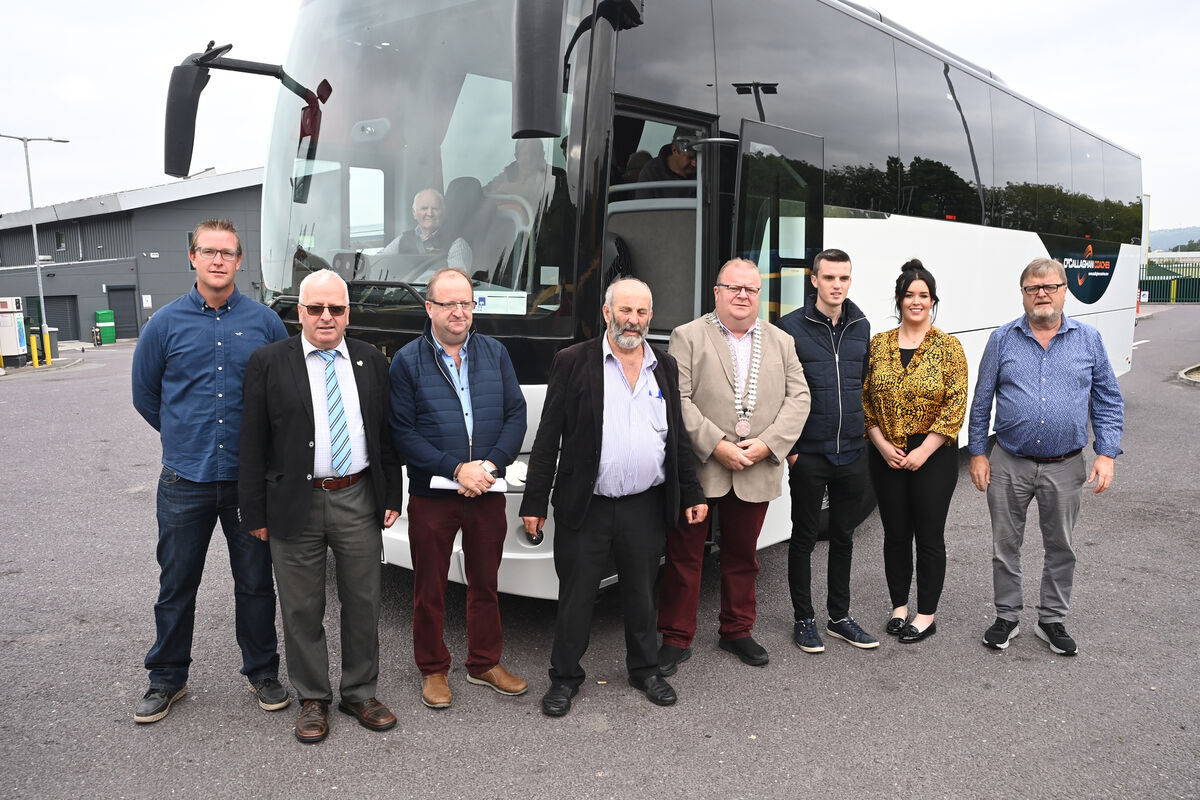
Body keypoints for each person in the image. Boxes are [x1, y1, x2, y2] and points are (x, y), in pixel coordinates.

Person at [519, 278, 708, 717]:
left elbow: (675, 438)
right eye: (625, 311)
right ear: (607, 313)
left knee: (642, 595)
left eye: (642, 313)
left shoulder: (664, 365)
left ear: (650, 318)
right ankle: (564, 678)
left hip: (645, 504)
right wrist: (533, 504)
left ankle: (645, 670)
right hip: (587, 506)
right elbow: (548, 439)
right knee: (577, 597)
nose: (633, 320)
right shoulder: (572, 361)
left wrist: (692, 491)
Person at [130, 219, 289, 724]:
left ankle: (262, 671)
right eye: (207, 251)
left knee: (256, 584)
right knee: (177, 585)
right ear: (192, 258)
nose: (217, 260)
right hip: (185, 479)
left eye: (227, 252)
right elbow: (145, 395)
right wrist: (182, 434)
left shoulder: (265, 323)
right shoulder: (164, 325)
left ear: (240, 261)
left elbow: (284, 396)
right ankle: (166, 679)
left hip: (249, 483)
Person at [238, 269, 404, 743]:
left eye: (336, 308)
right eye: (315, 308)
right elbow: (251, 444)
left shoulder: (372, 360)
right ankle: (313, 698)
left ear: (349, 312)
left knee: (364, 602)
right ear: (299, 313)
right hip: (294, 503)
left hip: (357, 497)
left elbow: (385, 437)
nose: (326, 317)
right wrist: (255, 513)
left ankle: (360, 692)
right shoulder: (268, 363)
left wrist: (391, 495)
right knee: (301, 608)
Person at [658, 258, 810, 671]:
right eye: (734, 288)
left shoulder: (782, 341)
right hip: (702, 469)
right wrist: (717, 445)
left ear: (759, 295)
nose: (743, 295)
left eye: (751, 289)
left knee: (744, 556)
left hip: (756, 467)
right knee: (684, 557)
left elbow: (799, 399)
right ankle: (675, 637)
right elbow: (679, 400)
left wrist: (767, 445)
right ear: (717, 293)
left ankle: (737, 631)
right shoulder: (687, 336)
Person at [968, 257, 1123, 656]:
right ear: (1022, 294)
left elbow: (1107, 399)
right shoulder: (1002, 339)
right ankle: (1007, 616)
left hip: (1066, 464)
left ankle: (1051, 620)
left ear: (1064, 290)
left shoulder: (1088, 339)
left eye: (1050, 287)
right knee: (1005, 545)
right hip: (1009, 460)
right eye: (1033, 288)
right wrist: (977, 454)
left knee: (1061, 546)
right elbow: (982, 399)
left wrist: (1106, 453)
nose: (1042, 294)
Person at [389, 268, 528, 709]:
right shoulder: (407, 361)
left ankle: (485, 663)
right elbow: (403, 432)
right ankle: (432, 669)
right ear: (429, 308)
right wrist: (455, 469)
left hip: (485, 490)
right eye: (448, 303)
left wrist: (485, 467)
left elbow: (515, 416)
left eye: (466, 303)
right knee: (428, 587)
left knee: (485, 583)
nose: (459, 311)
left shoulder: (495, 353)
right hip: (433, 495)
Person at [776, 248, 878, 654]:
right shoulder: (789, 328)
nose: (837, 285)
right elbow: (778, 393)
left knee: (843, 536)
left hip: (852, 451)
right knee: (802, 538)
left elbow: (864, 384)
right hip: (809, 454)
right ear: (814, 280)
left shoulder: (861, 325)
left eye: (844, 278)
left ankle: (839, 617)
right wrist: (793, 449)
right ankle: (804, 619)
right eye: (830, 278)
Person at [863, 260, 968, 644]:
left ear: (933, 301)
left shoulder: (948, 347)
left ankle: (925, 614)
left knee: (928, 536)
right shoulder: (879, 345)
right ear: (899, 300)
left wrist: (924, 450)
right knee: (894, 533)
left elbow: (956, 402)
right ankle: (899, 608)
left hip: (933, 455)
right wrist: (880, 442)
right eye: (909, 295)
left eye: (923, 295)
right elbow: (866, 400)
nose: (916, 301)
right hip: (886, 451)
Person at [380, 188, 472, 270]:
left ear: (443, 212)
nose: (430, 213)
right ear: (414, 213)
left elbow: (458, 283)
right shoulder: (401, 240)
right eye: (424, 208)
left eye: (435, 208)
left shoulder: (457, 244)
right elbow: (378, 262)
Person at [484, 138, 553, 210]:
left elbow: (542, 196)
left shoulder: (553, 176)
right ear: (517, 156)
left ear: (542, 155)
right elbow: (485, 192)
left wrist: (507, 188)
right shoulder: (508, 173)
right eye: (524, 153)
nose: (529, 158)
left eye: (534, 153)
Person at [635, 129, 699, 199]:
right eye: (690, 158)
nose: (695, 164)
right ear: (674, 150)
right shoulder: (651, 173)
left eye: (697, 158)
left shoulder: (706, 168)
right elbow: (644, 207)